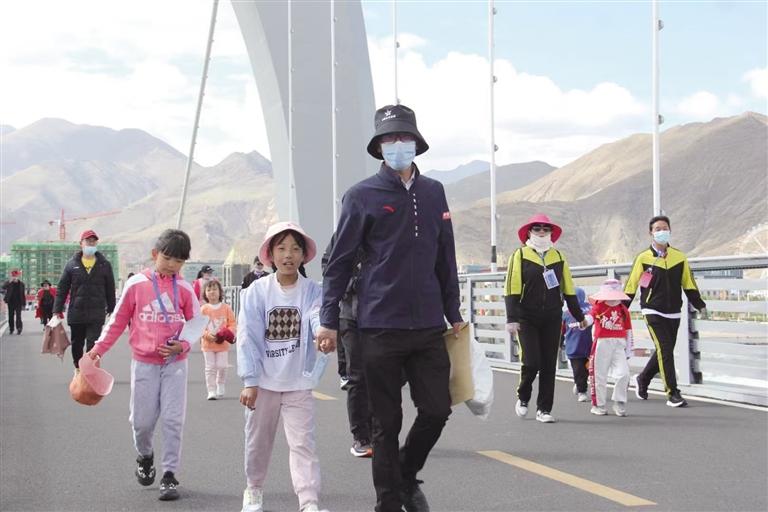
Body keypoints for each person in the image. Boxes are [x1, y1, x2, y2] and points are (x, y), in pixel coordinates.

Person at [318, 104, 463, 512]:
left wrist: (453, 312)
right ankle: (388, 502)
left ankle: (403, 476)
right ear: (379, 146)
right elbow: (339, 261)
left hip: (428, 326)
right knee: (386, 423)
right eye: (389, 138)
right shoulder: (360, 196)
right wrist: (328, 320)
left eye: (403, 137)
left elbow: (445, 256)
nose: (397, 144)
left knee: (437, 410)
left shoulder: (434, 192)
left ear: (416, 142)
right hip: (378, 326)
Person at [87, 229, 200, 501]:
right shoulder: (136, 284)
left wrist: (183, 345)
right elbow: (117, 321)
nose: (172, 264)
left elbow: (196, 323)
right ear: (154, 254)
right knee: (141, 422)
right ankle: (145, 455)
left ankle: (169, 475)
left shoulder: (185, 289)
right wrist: (98, 350)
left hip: (175, 365)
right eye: (167, 258)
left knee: (173, 420)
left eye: (179, 261)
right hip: (144, 364)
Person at [237, 221, 333, 512]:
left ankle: (309, 501)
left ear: (303, 255)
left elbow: (317, 316)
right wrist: (250, 380)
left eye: (294, 249)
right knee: (258, 442)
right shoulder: (256, 291)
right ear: (270, 254)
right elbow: (248, 336)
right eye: (281, 248)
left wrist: (322, 334)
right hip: (264, 383)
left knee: (303, 444)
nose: (288, 255)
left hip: (298, 382)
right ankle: (254, 490)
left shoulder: (313, 291)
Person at [504, 213, 589, 424]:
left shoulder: (558, 256)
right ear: (529, 232)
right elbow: (512, 287)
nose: (541, 232)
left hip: (552, 316)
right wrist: (512, 317)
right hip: (526, 317)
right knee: (532, 362)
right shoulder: (520, 255)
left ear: (551, 232)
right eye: (537, 228)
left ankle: (544, 409)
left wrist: (579, 316)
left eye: (546, 228)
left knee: (549, 364)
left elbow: (568, 289)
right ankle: (523, 396)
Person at [624, 215, 706, 408]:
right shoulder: (643, 258)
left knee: (665, 350)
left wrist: (700, 304)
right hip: (652, 310)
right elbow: (631, 286)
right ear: (651, 233)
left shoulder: (679, 257)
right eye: (657, 229)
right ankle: (673, 393)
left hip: (674, 311)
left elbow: (688, 283)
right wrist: (620, 310)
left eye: (665, 228)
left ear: (670, 230)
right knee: (665, 348)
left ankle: (643, 378)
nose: (662, 231)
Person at [321, 234, 372, 458]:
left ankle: (382, 430)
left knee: (386, 375)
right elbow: (328, 265)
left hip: (386, 314)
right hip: (351, 313)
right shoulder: (347, 229)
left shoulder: (391, 225)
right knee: (358, 375)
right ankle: (361, 436)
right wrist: (351, 283)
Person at [53, 229, 116, 370]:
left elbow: (110, 288)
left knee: (93, 344)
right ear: (81, 243)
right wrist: (57, 309)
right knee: (77, 344)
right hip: (77, 312)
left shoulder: (104, 264)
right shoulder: (72, 264)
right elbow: (62, 288)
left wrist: (112, 308)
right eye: (88, 241)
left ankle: (89, 371)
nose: (91, 244)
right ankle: (78, 368)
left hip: (96, 312)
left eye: (93, 241)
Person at [588, 279, 633, 417]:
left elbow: (628, 330)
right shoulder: (599, 306)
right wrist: (584, 322)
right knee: (599, 375)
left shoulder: (623, 310)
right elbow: (590, 317)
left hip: (619, 344)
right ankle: (598, 404)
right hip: (602, 342)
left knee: (624, 373)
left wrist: (629, 349)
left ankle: (619, 401)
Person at [200, 279, 236, 400]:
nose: (212, 292)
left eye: (215, 289)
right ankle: (211, 390)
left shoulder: (226, 308)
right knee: (210, 367)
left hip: (222, 344)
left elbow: (232, 323)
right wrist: (206, 335)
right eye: (209, 290)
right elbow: (199, 326)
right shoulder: (204, 309)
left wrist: (228, 332)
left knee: (222, 366)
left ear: (220, 292)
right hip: (208, 344)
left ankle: (220, 383)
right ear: (205, 293)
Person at [562, 287, 592, 403]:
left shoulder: (590, 310)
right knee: (579, 370)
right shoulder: (566, 314)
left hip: (587, 347)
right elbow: (561, 330)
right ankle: (582, 391)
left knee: (586, 370)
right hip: (574, 349)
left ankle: (579, 383)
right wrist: (559, 343)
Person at [3, 270, 26, 334]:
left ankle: (19, 328)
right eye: (13, 276)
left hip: (19, 302)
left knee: (18, 316)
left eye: (16, 276)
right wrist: (8, 282)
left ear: (18, 276)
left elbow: (23, 294)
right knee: (11, 316)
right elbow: (3, 287)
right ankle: (11, 329)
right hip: (10, 302)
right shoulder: (9, 283)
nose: (15, 277)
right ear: (12, 276)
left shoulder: (22, 284)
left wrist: (24, 304)